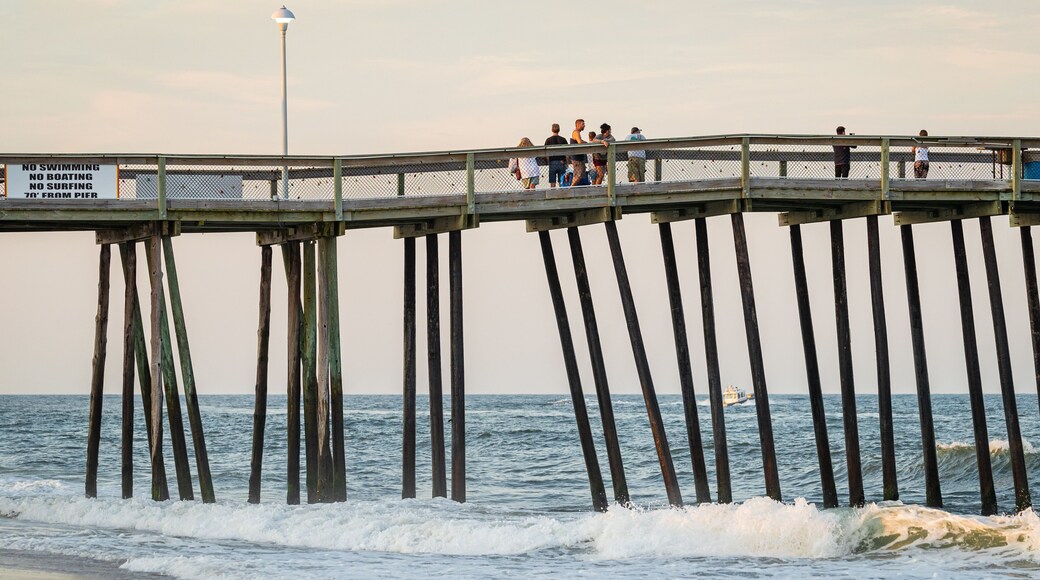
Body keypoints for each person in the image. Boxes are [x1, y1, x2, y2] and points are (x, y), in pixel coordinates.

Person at [544, 123, 569, 188]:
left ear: (552, 130)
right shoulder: (563, 139)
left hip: (552, 162)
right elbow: (567, 153)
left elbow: (546, 153)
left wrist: (548, 161)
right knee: (561, 181)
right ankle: (562, 194)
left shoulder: (548, 140)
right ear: (559, 129)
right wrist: (567, 162)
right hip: (561, 162)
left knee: (552, 182)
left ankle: (553, 195)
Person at [570, 119, 588, 186]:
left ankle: (573, 188)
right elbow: (579, 142)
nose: (584, 126)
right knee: (579, 175)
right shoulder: (576, 132)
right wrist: (586, 143)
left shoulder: (577, 133)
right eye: (582, 124)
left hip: (579, 157)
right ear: (578, 125)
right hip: (577, 158)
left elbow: (580, 140)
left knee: (578, 175)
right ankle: (571, 188)